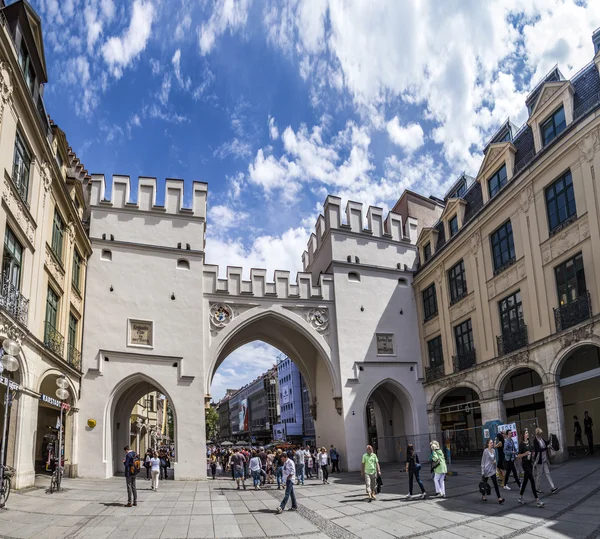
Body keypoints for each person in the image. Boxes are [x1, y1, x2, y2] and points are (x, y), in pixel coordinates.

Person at [517, 430, 544, 507]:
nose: (528, 434)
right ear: (523, 435)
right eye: (526, 433)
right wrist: (525, 453)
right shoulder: (521, 444)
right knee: (532, 480)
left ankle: (520, 497)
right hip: (525, 465)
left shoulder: (529, 442)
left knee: (525, 481)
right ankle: (537, 501)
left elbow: (532, 450)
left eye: (528, 433)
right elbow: (518, 456)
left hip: (530, 464)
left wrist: (532, 453)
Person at [533, 428, 558, 494]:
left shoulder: (541, 438)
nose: (541, 434)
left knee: (547, 473)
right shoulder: (535, 440)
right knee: (539, 474)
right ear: (537, 434)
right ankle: (537, 488)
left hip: (545, 459)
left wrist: (549, 439)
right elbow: (538, 450)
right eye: (540, 433)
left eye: (541, 433)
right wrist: (545, 448)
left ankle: (553, 487)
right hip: (539, 460)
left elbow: (546, 443)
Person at [481, 439, 505, 504]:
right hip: (486, 470)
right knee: (484, 484)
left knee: (495, 484)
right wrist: (482, 471)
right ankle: (483, 495)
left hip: (492, 470)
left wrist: (495, 464)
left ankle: (499, 498)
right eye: (491, 443)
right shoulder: (485, 451)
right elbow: (483, 461)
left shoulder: (494, 451)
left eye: (492, 443)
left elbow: (494, 460)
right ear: (488, 444)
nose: (492, 444)